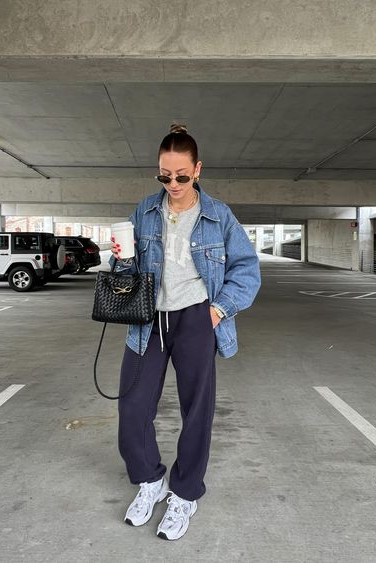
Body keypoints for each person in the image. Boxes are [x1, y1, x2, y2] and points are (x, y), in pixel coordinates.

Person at [109, 123, 261, 541]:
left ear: (197, 169)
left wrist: (217, 311)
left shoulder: (218, 215)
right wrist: (120, 258)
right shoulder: (143, 211)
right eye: (164, 175)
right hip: (148, 320)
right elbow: (129, 273)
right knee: (133, 408)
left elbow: (247, 270)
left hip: (197, 318)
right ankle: (150, 479)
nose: (172, 183)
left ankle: (185, 492)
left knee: (197, 411)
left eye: (180, 175)